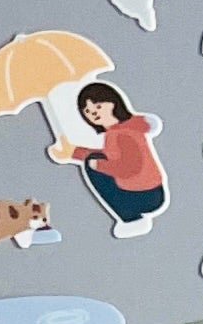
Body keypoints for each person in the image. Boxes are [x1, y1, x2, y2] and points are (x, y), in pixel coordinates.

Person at [65, 80, 166, 238]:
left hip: (143, 195)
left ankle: (131, 219)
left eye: (98, 106)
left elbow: (129, 168)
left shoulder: (122, 134)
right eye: (88, 111)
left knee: (93, 164)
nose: (94, 113)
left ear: (113, 103)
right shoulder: (119, 131)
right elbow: (110, 155)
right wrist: (75, 152)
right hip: (150, 193)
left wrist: (98, 165)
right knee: (94, 159)